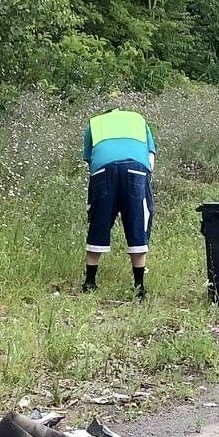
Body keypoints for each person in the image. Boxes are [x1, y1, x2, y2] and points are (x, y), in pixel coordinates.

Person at [82, 105, 157, 299]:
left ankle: (89, 282)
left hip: (103, 170)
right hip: (136, 169)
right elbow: (150, 156)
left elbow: (90, 160)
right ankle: (139, 287)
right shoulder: (138, 119)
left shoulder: (94, 123)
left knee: (99, 221)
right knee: (138, 222)